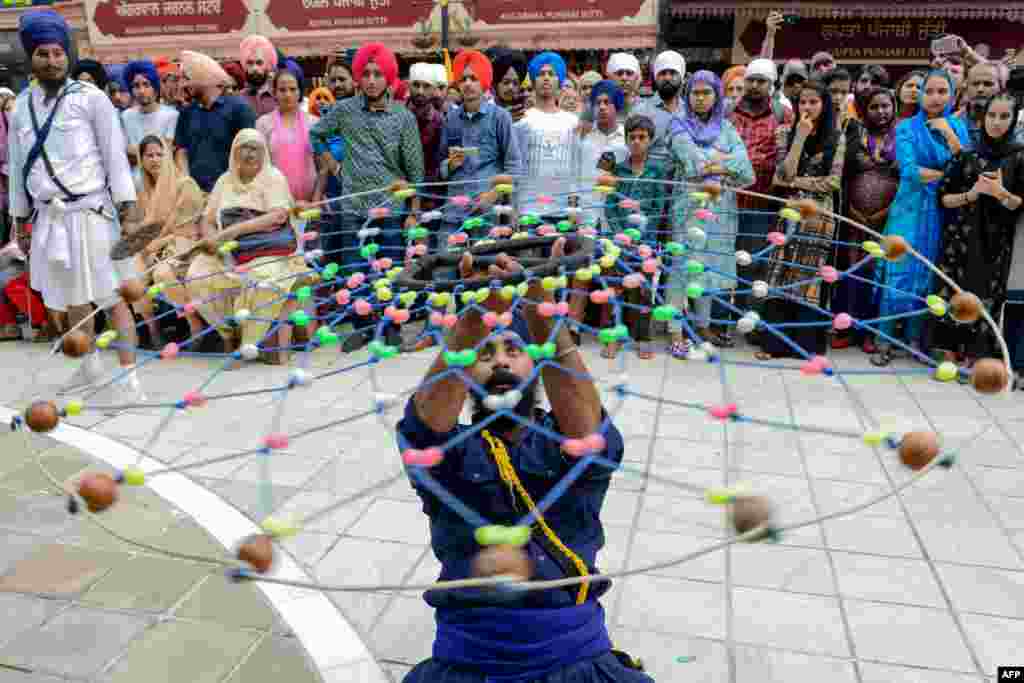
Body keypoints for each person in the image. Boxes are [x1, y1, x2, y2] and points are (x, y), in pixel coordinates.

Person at [397, 243, 651, 683]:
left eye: (513, 349)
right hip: (468, 662)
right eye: (485, 352)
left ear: (536, 362)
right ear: (466, 368)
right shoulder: (451, 452)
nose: (498, 360)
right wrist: (476, 315)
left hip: (576, 662)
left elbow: (588, 436)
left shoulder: (562, 442)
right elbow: (423, 429)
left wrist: (538, 302)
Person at [8, 9, 143, 401]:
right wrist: (20, 223)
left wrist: (129, 213)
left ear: (66, 54)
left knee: (114, 295)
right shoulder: (20, 108)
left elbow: (115, 160)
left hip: (95, 214)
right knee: (70, 299)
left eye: (57, 53)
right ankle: (89, 369)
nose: (52, 60)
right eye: (43, 54)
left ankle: (129, 377)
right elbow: (18, 171)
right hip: (50, 219)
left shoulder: (92, 99)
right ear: (31, 58)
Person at [310, 43, 424, 351]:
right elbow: (316, 134)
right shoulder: (345, 111)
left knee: (390, 271)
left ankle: (391, 328)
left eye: (378, 74)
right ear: (359, 76)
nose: (371, 79)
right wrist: (332, 166)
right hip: (354, 206)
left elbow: (416, 172)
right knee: (354, 271)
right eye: (366, 73)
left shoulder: (403, 118)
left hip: (390, 209)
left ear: (388, 77)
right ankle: (361, 329)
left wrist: (413, 211)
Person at [187, 128, 311, 366]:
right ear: (235, 151)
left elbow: (277, 216)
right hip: (230, 253)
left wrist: (233, 231)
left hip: (269, 252)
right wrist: (213, 239)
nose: (250, 153)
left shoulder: (273, 177)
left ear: (264, 152)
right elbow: (207, 218)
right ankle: (228, 333)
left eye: (256, 148)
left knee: (263, 279)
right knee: (197, 275)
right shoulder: (225, 180)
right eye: (245, 147)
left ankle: (247, 344)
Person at [873, 70, 969, 365]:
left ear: (952, 95)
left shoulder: (958, 127)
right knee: (898, 270)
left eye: (942, 91)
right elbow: (910, 171)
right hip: (908, 209)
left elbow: (967, 169)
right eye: (930, 91)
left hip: (941, 214)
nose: (935, 97)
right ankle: (884, 340)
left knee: (927, 275)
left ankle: (915, 339)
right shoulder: (905, 128)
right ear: (921, 95)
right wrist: (948, 174)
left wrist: (950, 135)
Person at [756, 79, 846, 360]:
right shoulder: (785, 133)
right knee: (780, 275)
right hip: (789, 215)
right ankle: (774, 345)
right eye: (803, 102)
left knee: (808, 279)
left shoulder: (837, 136)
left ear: (824, 105)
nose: (807, 107)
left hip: (819, 219)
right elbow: (781, 177)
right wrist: (800, 139)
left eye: (814, 102)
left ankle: (806, 346)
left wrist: (798, 182)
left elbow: (833, 182)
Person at [934, 93, 1024, 372]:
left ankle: (977, 353)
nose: (996, 123)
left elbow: (1020, 203)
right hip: (958, 237)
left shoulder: (1019, 155)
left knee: (986, 293)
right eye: (992, 116)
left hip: (996, 239)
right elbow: (943, 198)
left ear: (1013, 120)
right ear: (983, 118)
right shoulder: (967, 153)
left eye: (1004, 116)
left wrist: (1000, 193)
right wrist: (972, 194)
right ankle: (949, 351)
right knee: (954, 288)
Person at [669, 70, 754, 357]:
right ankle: (675, 331)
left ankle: (703, 326)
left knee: (707, 269)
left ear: (717, 96)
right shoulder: (679, 125)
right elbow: (693, 161)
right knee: (682, 267)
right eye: (695, 92)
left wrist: (718, 165)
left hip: (720, 211)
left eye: (707, 93)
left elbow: (746, 169)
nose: (701, 98)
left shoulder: (727, 127)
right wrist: (723, 162)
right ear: (688, 95)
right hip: (688, 208)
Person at [833, 87, 900, 354]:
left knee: (878, 276)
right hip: (854, 218)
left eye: (886, 106)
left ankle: (870, 332)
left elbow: (906, 177)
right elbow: (844, 174)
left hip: (889, 218)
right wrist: (850, 208)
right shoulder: (854, 133)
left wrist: (888, 211)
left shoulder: (902, 136)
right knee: (852, 273)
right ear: (864, 109)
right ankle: (845, 327)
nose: (881, 111)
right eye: (874, 107)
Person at [729, 58, 794, 321]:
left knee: (755, 262)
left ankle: (750, 318)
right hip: (729, 201)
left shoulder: (782, 114)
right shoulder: (728, 112)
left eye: (761, 81)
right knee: (726, 260)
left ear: (772, 84)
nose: (754, 86)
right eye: (751, 80)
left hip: (763, 202)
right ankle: (725, 318)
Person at [438, 50, 523, 249]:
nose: (468, 84)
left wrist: (492, 195)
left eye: (474, 78)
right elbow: (439, 168)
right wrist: (450, 164)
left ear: (484, 82)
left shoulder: (500, 117)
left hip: (486, 214)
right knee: (444, 268)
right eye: (463, 78)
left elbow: (514, 167)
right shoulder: (450, 119)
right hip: (454, 212)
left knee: (483, 271)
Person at [603, 113, 667, 360]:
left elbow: (659, 207)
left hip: (646, 241)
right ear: (627, 140)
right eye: (633, 137)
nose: (637, 141)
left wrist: (641, 235)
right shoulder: (617, 171)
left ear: (650, 140)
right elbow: (610, 205)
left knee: (643, 289)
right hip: (620, 240)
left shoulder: (656, 171)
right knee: (617, 287)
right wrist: (621, 233)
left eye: (642, 137)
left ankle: (643, 337)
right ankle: (615, 336)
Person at [132, 136, 205, 345]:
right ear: (142, 160)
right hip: (155, 247)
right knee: (132, 274)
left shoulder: (185, 184)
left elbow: (185, 228)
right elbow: (144, 228)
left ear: (168, 156)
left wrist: (157, 244)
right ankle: (153, 329)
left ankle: (194, 324)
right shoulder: (146, 192)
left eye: (159, 154)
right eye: (149, 155)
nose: (155, 160)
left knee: (162, 273)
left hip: (185, 244)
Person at [174, 50, 256, 193]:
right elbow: (181, 151)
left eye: (186, 78)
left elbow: (249, 153)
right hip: (196, 196)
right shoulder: (186, 112)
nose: (182, 85)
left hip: (231, 194)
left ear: (204, 76)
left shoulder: (239, 108)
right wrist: (187, 183)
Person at [518, 52, 580, 217]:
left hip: (562, 212)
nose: (546, 78)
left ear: (559, 80)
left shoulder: (572, 122)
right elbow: (515, 167)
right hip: (528, 210)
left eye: (551, 74)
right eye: (541, 74)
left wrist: (573, 209)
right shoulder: (522, 120)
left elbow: (575, 169)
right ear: (533, 81)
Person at [255, 64, 320, 203]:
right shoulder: (263, 124)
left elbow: (323, 168)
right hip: (275, 205)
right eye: (282, 90)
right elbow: (260, 168)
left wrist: (316, 202)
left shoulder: (314, 124)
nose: (288, 94)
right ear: (274, 92)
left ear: (300, 92)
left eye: (292, 89)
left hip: (310, 206)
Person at [122, 59, 180, 185]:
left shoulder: (171, 115)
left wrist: (136, 152)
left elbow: (166, 152)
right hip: (135, 186)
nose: (142, 91)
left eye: (146, 84)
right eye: (136, 86)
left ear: (154, 87)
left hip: (164, 184)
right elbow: (125, 152)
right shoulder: (126, 116)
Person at [239, 35, 278, 116]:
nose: (255, 68)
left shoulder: (278, 95)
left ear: (268, 65)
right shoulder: (239, 99)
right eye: (250, 63)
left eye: (259, 63)